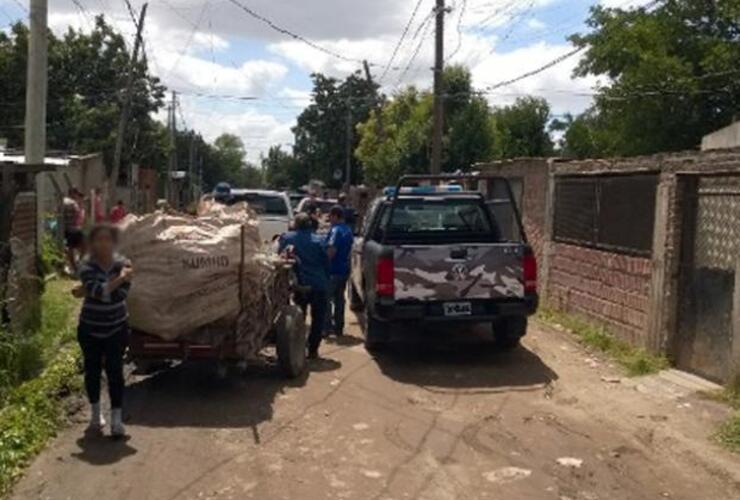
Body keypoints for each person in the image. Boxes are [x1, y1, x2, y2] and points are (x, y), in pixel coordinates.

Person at [73, 224, 133, 437]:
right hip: (90, 328)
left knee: (115, 372)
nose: (103, 244)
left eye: (108, 239)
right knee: (92, 371)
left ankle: (116, 420)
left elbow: (118, 296)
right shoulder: (86, 266)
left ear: (114, 242)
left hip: (117, 328)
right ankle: (95, 415)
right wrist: (119, 280)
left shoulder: (124, 264)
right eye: (98, 240)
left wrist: (104, 288)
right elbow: (99, 292)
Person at [279, 213, 329, 359]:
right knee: (318, 319)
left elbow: (280, 258)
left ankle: (298, 346)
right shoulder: (319, 240)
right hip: (319, 285)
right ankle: (313, 350)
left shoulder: (287, 238)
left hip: (299, 285)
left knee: (299, 317)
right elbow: (326, 263)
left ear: (296, 224)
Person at [325, 206, 353, 337]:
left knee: (326, 299)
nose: (329, 220)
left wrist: (323, 262)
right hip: (344, 270)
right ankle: (339, 327)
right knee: (339, 299)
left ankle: (326, 327)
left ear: (336, 216)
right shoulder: (348, 230)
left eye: (330, 217)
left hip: (333, 270)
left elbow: (331, 250)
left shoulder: (335, 231)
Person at [62, 188, 85, 274]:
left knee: (70, 248)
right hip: (73, 229)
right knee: (80, 247)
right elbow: (77, 216)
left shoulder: (63, 201)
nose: (77, 196)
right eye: (76, 194)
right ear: (72, 193)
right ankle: (76, 266)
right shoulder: (72, 203)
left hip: (65, 229)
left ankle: (74, 266)